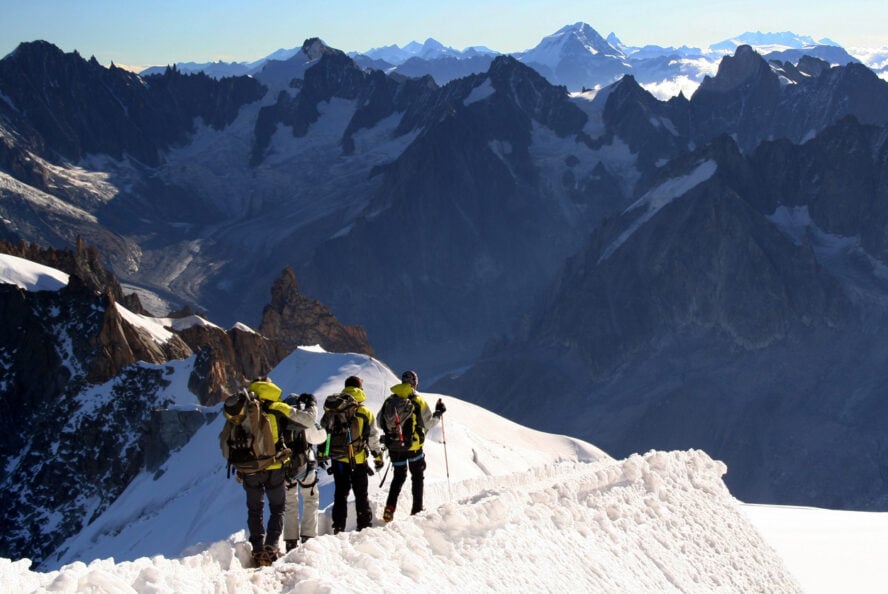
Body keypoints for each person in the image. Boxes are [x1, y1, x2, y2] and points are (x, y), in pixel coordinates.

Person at [232, 376, 314, 567]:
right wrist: (312, 403)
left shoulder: (243, 408)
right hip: (275, 467)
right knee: (277, 508)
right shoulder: (278, 408)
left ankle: (258, 548)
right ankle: (271, 546)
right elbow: (308, 420)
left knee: (255, 509)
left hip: (250, 468)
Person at [378, 370, 445, 522]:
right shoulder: (417, 400)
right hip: (414, 447)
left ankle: (389, 509)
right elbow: (428, 423)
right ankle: (416, 509)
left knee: (398, 477)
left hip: (395, 447)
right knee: (417, 477)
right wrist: (438, 414)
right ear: (415, 383)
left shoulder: (390, 400)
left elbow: (378, 422)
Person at [321, 375, 384, 534]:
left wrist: (324, 453)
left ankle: (338, 527)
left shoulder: (333, 410)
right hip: (358, 460)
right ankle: (364, 526)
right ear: (360, 389)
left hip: (338, 460)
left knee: (340, 494)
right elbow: (373, 438)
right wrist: (378, 457)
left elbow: (323, 431)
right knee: (361, 495)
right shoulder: (364, 411)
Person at [280, 392, 321, 551]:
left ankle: (290, 541)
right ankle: (308, 538)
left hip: (286, 469)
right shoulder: (304, 420)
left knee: (290, 504)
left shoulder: (280, 422)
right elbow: (320, 438)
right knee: (311, 500)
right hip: (305, 466)